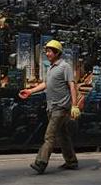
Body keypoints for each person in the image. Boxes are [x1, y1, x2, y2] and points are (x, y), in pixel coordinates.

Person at [19, 39, 81, 174]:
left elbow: (72, 86)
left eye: (49, 51)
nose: (47, 53)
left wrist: (74, 106)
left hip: (61, 107)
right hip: (51, 108)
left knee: (49, 136)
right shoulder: (51, 68)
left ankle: (41, 162)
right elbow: (45, 84)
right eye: (46, 51)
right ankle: (72, 162)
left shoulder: (65, 67)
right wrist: (30, 91)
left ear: (57, 53)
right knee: (62, 135)